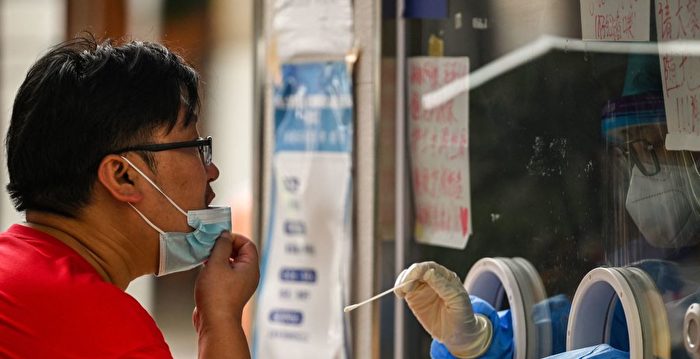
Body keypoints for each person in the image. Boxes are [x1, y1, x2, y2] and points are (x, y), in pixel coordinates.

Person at [0, 35, 259, 358]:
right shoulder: (103, 328)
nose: (212, 171)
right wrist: (220, 319)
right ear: (123, 176)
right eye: (194, 147)